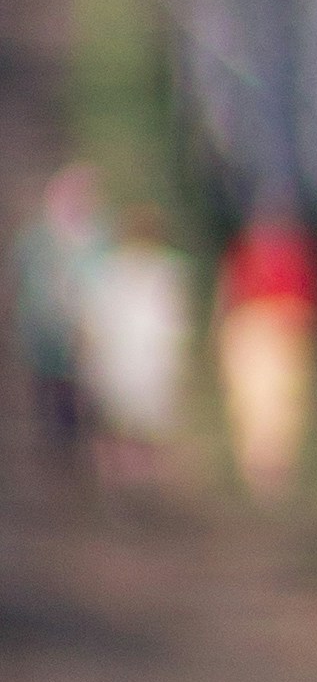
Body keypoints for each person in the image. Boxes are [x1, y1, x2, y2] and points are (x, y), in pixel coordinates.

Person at [212, 204, 317, 499]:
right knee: (256, 400)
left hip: (282, 329)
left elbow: (309, 299)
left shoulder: (296, 252)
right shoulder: (249, 250)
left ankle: (273, 467)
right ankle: (260, 466)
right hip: (256, 327)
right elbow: (231, 288)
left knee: (280, 400)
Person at [77, 206, 192, 491]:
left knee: (139, 417)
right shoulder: (118, 270)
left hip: (144, 357)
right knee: (125, 416)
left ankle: (137, 477)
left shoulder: (160, 271)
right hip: (128, 356)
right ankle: (126, 476)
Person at [11, 161, 105, 480]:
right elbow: (25, 277)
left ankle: (77, 444)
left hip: (85, 328)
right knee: (51, 385)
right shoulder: (38, 238)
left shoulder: (96, 236)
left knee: (82, 384)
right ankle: (58, 448)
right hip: (47, 330)